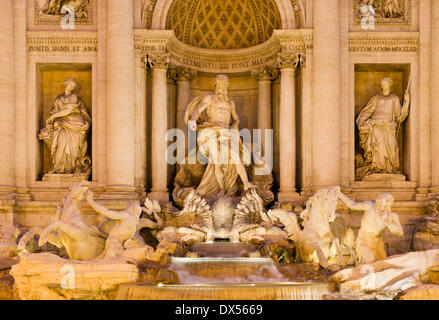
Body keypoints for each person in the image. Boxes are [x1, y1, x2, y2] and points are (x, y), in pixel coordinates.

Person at [185, 74, 256, 197]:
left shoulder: (230, 103)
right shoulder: (210, 98)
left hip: (225, 133)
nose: (222, 86)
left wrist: (234, 126)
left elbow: (236, 119)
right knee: (216, 160)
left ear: (227, 86)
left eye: (224, 83)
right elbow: (198, 110)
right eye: (219, 83)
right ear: (216, 85)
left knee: (234, 155)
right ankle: (221, 188)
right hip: (210, 130)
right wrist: (192, 119)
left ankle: (246, 183)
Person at [356, 77, 409, 178]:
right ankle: (377, 168)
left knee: (392, 147)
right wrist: (362, 121)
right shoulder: (376, 98)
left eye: (385, 84)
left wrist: (406, 103)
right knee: (378, 145)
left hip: (389, 127)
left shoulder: (394, 98)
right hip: (376, 125)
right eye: (382, 84)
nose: (383, 86)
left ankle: (389, 169)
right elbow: (368, 111)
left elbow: (399, 116)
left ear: (390, 85)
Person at [39, 78, 91, 175]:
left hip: (75, 124)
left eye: (74, 85)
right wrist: (50, 121)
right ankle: (58, 168)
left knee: (72, 148)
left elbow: (68, 110)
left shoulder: (74, 96)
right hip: (61, 124)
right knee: (60, 142)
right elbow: (54, 111)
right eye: (71, 84)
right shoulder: (58, 99)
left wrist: (53, 117)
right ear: (66, 84)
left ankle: (69, 169)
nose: (72, 86)